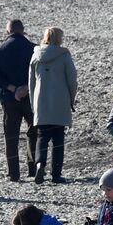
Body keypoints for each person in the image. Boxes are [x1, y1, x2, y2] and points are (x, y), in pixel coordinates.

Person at [0, 19, 37, 181]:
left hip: (8, 99)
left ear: (7, 31)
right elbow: (39, 73)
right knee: (33, 132)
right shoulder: (33, 48)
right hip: (30, 97)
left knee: (11, 136)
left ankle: (14, 174)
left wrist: (13, 89)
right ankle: (33, 169)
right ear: (23, 30)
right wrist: (25, 88)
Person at [28, 25, 78, 184]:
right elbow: (72, 81)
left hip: (41, 101)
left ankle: (39, 164)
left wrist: (33, 103)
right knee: (58, 140)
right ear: (59, 38)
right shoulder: (64, 55)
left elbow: (31, 82)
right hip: (60, 102)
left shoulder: (35, 55)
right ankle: (56, 174)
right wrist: (71, 99)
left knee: (42, 137)